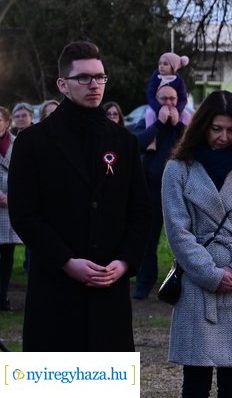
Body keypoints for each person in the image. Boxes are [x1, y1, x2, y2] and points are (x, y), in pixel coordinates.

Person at [7, 40, 151, 351]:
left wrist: (125, 261)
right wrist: (66, 261)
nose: (94, 85)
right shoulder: (33, 143)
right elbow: (24, 214)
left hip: (108, 288)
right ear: (63, 84)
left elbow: (141, 210)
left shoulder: (123, 141)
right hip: (55, 288)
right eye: (83, 78)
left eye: (99, 77)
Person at [162, 90, 232, 398]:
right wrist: (212, 274)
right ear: (202, 126)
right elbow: (177, 231)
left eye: (230, 130)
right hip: (199, 283)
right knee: (195, 380)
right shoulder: (178, 169)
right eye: (216, 128)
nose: (223, 137)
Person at [132, 85, 187, 299]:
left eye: (172, 99)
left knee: (183, 238)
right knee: (149, 239)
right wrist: (158, 124)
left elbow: (195, 146)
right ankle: (144, 283)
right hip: (153, 187)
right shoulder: (146, 120)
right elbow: (136, 143)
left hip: (181, 190)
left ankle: (181, 282)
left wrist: (177, 125)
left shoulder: (185, 122)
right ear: (156, 100)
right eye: (163, 99)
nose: (168, 104)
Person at [0, 107, 21, 311]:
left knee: (7, 256)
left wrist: (12, 196)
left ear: (7, 123)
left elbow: (25, 172)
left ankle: (2, 296)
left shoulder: (18, 144)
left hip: (10, 207)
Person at [146, 51, 192, 128]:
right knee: (149, 114)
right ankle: (151, 136)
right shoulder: (156, 77)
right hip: (158, 106)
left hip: (174, 107)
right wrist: (158, 108)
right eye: (160, 63)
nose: (161, 66)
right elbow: (150, 94)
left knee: (186, 115)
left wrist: (177, 109)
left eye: (165, 64)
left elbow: (183, 98)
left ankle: (185, 135)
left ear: (173, 67)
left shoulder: (178, 80)